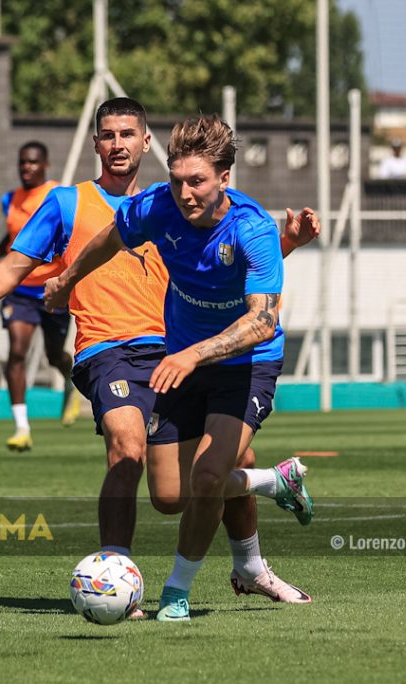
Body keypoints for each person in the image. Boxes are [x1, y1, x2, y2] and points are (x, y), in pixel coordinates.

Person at [0, 99, 316, 616]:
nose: (118, 143)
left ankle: (252, 560)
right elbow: (15, 267)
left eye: (128, 133)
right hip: (109, 350)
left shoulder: (178, 203)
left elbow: (230, 273)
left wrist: (287, 242)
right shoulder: (70, 204)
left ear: (146, 142)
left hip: (176, 350)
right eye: (108, 134)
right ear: (96, 143)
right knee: (127, 448)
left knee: (189, 487)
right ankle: (115, 580)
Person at [44, 113, 315, 621]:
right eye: (177, 179)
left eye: (198, 181)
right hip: (184, 359)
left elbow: (260, 321)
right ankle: (273, 482)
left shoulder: (252, 228)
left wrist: (191, 354)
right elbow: (110, 238)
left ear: (224, 179)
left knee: (209, 475)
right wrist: (66, 279)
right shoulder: (157, 206)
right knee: (171, 496)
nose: (186, 193)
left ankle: (176, 592)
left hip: (244, 362)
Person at [0, 142, 78, 451]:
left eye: (33, 163)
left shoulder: (60, 195)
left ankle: (69, 379)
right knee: (17, 351)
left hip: (52, 288)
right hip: (19, 288)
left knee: (53, 354)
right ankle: (22, 427)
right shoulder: (10, 199)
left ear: (45, 165)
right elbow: (17, 235)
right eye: (22, 163)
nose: (26, 168)